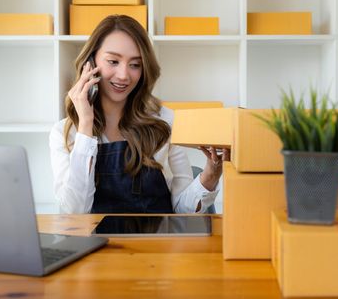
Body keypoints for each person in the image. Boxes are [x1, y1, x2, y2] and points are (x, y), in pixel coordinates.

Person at [49, 15, 229, 214]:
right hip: (98, 244)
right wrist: (85, 125)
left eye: (135, 64)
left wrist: (211, 174)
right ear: (89, 64)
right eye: (113, 61)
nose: (124, 75)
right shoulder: (64, 133)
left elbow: (182, 212)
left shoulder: (165, 122)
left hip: (156, 243)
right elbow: (76, 211)